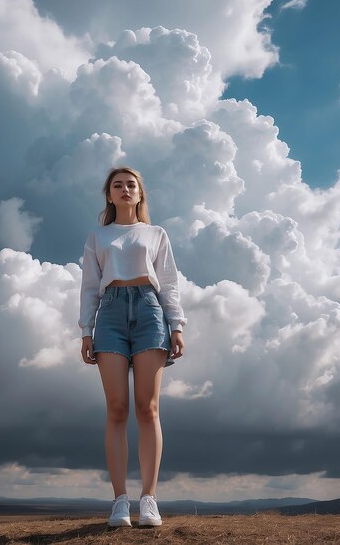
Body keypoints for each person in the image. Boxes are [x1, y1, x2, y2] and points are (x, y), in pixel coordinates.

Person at [78, 166, 187, 528]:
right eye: (117, 185)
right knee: (117, 408)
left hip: (149, 310)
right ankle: (120, 502)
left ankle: (149, 500)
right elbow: (90, 286)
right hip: (109, 314)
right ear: (109, 195)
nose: (125, 189)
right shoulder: (98, 235)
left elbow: (169, 282)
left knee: (148, 406)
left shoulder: (156, 233)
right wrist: (86, 330)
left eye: (131, 185)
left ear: (140, 194)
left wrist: (177, 325)